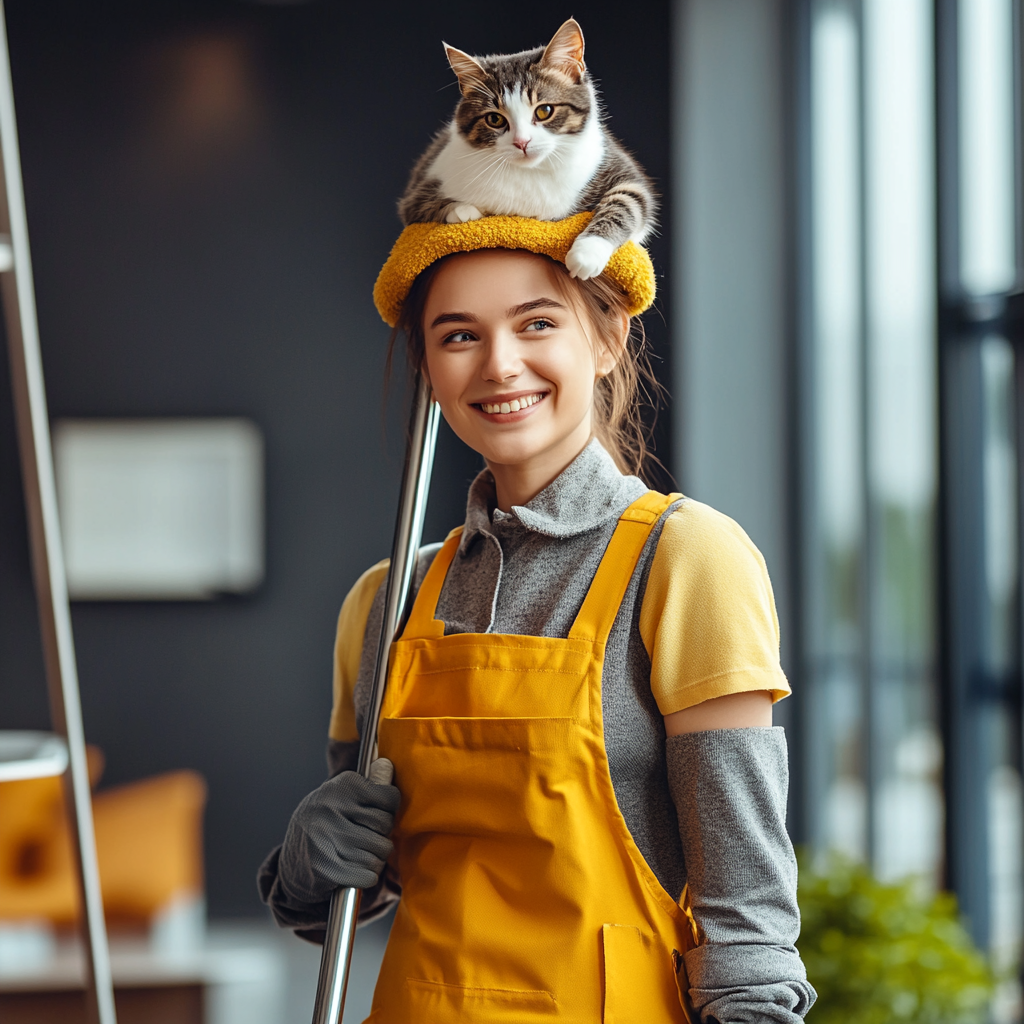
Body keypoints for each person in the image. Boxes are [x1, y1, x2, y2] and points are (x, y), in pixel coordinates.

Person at [258, 215, 816, 1023]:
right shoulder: (386, 601)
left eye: (538, 323)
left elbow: (745, 905)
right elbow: (353, 892)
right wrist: (309, 864)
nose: (499, 364)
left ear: (608, 338)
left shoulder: (686, 559)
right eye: (458, 336)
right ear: (428, 369)